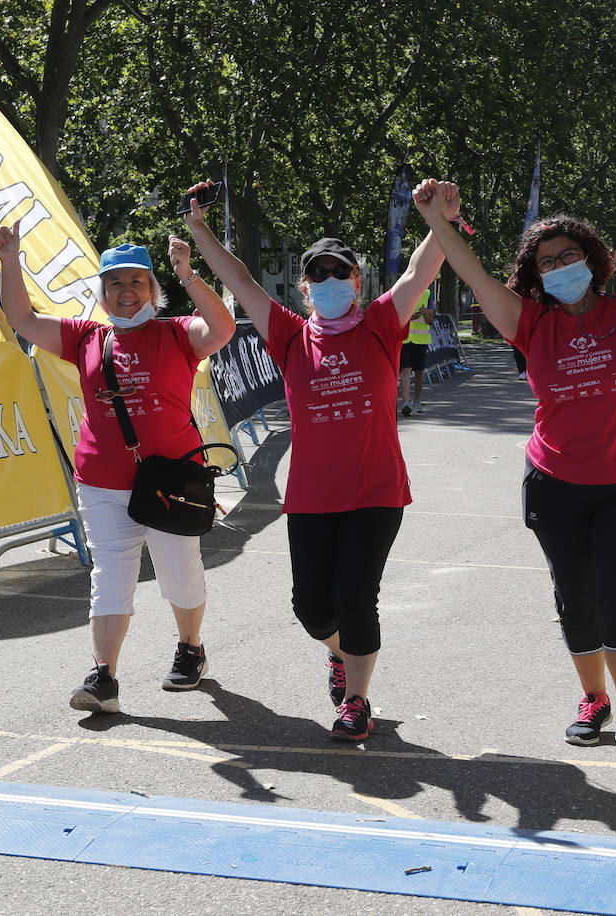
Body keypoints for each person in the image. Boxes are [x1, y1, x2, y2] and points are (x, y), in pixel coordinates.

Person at [413, 161, 616, 765]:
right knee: (574, 596)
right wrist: (438, 220)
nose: (559, 267)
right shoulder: (527, 321)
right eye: (546, 262)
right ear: (534, 275)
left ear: (591, 259)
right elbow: (470, 271)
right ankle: (591, 699)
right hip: (556, 486)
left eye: (568, 255)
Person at [182, 179, 447, 741]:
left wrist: (441, 217)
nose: (329, 282)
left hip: (375, 493)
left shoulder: (380, 324)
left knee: (356, 598)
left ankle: (356, 700)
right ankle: (340, 655)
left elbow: (420, 272)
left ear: (357, 282)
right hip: (311, 498)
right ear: (306, 289)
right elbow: (241, 280)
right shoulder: (290, 336)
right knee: (311, 608)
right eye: (317, 275)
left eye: (339, 273)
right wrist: (201, 230)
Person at [0, 222, 235, 713]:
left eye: (136, 282)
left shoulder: (177, 333)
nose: (126, 292)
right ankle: (104, 678)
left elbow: (223, 327)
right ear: (102, 293)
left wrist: (187, 273)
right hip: (103, 482)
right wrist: (9, 260)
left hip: (171, 482)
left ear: (152, 290)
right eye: (115, 283)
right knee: (111, 575)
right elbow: (22, 318)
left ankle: (190, 648)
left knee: (179, 573)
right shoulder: (85, 337)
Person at [399, 289, 434, 414]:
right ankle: (406, 403)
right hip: (405, 340)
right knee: (405, 370)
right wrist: (409, 316)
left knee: (419, 372)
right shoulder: (403, 290)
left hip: (421, 340)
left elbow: (431, 321)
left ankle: (417, 401)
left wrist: (424, 313)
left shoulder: (428, 294)